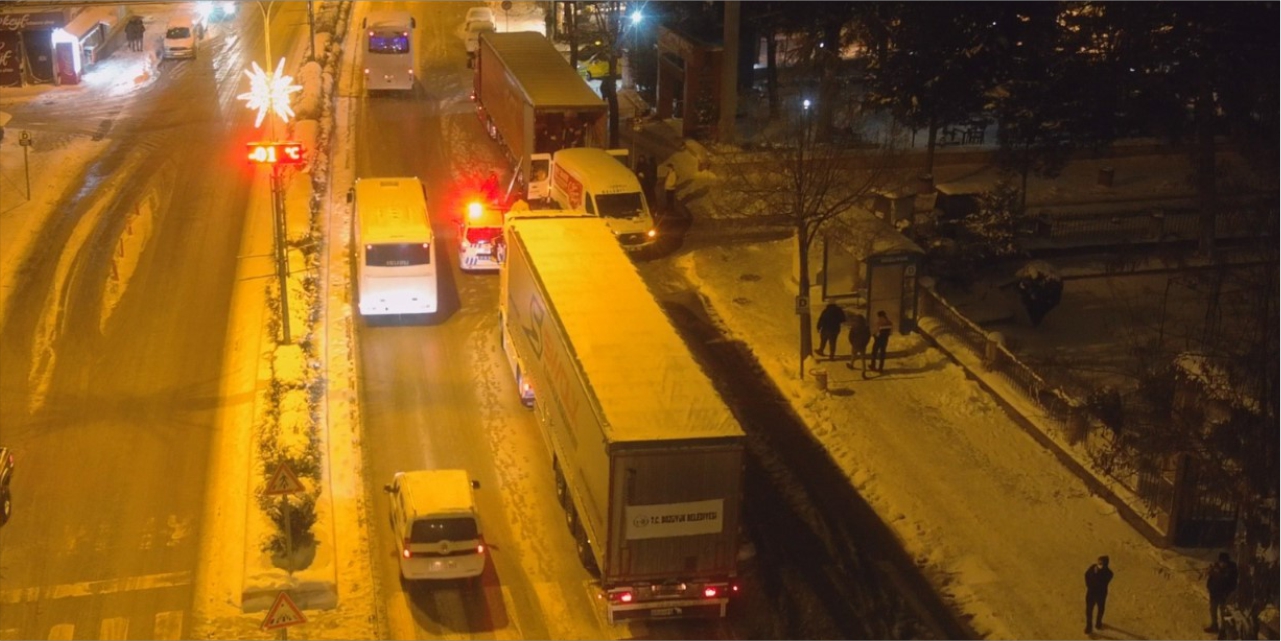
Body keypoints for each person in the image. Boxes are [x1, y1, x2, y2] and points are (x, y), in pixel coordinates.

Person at [1206, 551, 1239, 633]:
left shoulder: (1232, 570)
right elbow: (1211, 578)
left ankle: (1223, 630)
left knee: (1223, 612)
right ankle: (1214, 625)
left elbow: (1230, 582)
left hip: (1224, 595)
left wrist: (1227, 593)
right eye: (1221, 562)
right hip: (1214, 593)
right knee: (1213, 610)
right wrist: (1209, 586)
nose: (1222, 564)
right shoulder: (1216, 567)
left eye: (1224, 562)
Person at [1085, 555, 1114, 634]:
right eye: (1098, 562)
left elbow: (1101, 582)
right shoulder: (1093, 567)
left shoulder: (1108, 574)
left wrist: (1096, 573)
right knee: (1089, 610)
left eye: (1100, 563)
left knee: (1100, 609)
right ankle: (1089, 626)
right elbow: (1086, 575)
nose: (1098, 564)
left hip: (1100, 595)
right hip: (1091, 593)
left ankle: (1098, 623)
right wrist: (1088, 585)